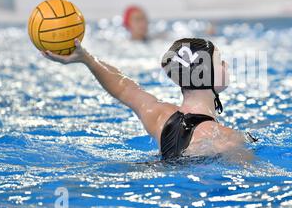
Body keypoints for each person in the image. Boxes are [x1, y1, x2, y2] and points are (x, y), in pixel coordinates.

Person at [42, 37, 256, 160]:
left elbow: (124, 87)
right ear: (204, 73)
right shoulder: (225, 138)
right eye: (220, 62)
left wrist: (86, 58)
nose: (226, 65)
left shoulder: (160, 116)